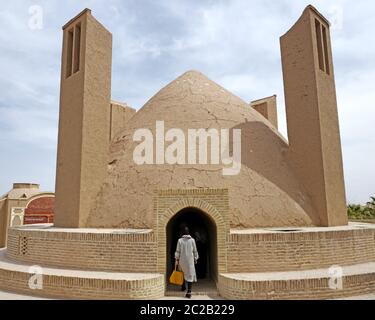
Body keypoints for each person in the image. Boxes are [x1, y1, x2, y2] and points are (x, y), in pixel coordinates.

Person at [174, 226, 199, 298]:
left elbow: (178, 251)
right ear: (189, 232)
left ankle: (183, 287)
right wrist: (195, 258)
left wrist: (176, 259)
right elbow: (195, 250)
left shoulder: (180, 240)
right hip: (190, 261)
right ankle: (189, 291)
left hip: (182, 260)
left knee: (182, 273)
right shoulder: (192, 240)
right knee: (190, 274)